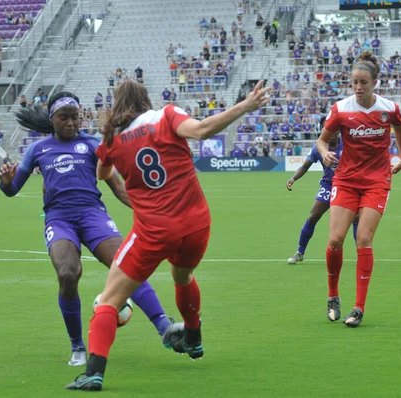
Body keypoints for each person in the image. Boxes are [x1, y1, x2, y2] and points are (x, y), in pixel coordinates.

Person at [66, 80, 270, 391]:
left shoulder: (112, 140)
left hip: (153, 230)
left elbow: (102, 174)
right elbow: (200, 131)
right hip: (195, 224)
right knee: (183, 276)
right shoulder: (166, 116)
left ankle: (93, 372)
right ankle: (194, 338)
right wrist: (244, 106)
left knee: (108, 300)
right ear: (144, 99)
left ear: (117, 104)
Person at [0, 91, 183, 367]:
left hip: (92, 215)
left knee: (128, 266)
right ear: (53, 119)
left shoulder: (95, 145)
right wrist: (6, 182)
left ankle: (163, 327)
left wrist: (150, 209)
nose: (71, 123)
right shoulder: (38, 150)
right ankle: (77, 346)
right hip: (59, 219)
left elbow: (118, 186)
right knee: (68, 273)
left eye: (76, 117)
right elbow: (12, 190)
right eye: (65, 118)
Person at [316, 51, 401, 327]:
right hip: (345, 180)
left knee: (364, 240)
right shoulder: (341, 109)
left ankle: (358, 308)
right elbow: (322, 140)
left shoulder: (388, 108)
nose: (358, 87)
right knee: (335, 240)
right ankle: (333, 296)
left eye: (363, 82)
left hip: (377, 181)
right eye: (354, 82)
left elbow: (400, 128)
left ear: (374, 82)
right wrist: (324, 153)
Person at [286, 129, 358, 264]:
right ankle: (300, 252)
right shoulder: (318, 148)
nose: (330, 136)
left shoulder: (348, 143)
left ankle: (361, 253)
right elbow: (305, 166)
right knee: (313, 216)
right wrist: (293, 178)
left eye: (333, 132)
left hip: (347, 186)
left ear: (338, 131)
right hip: (328, 186)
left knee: (355, 218)